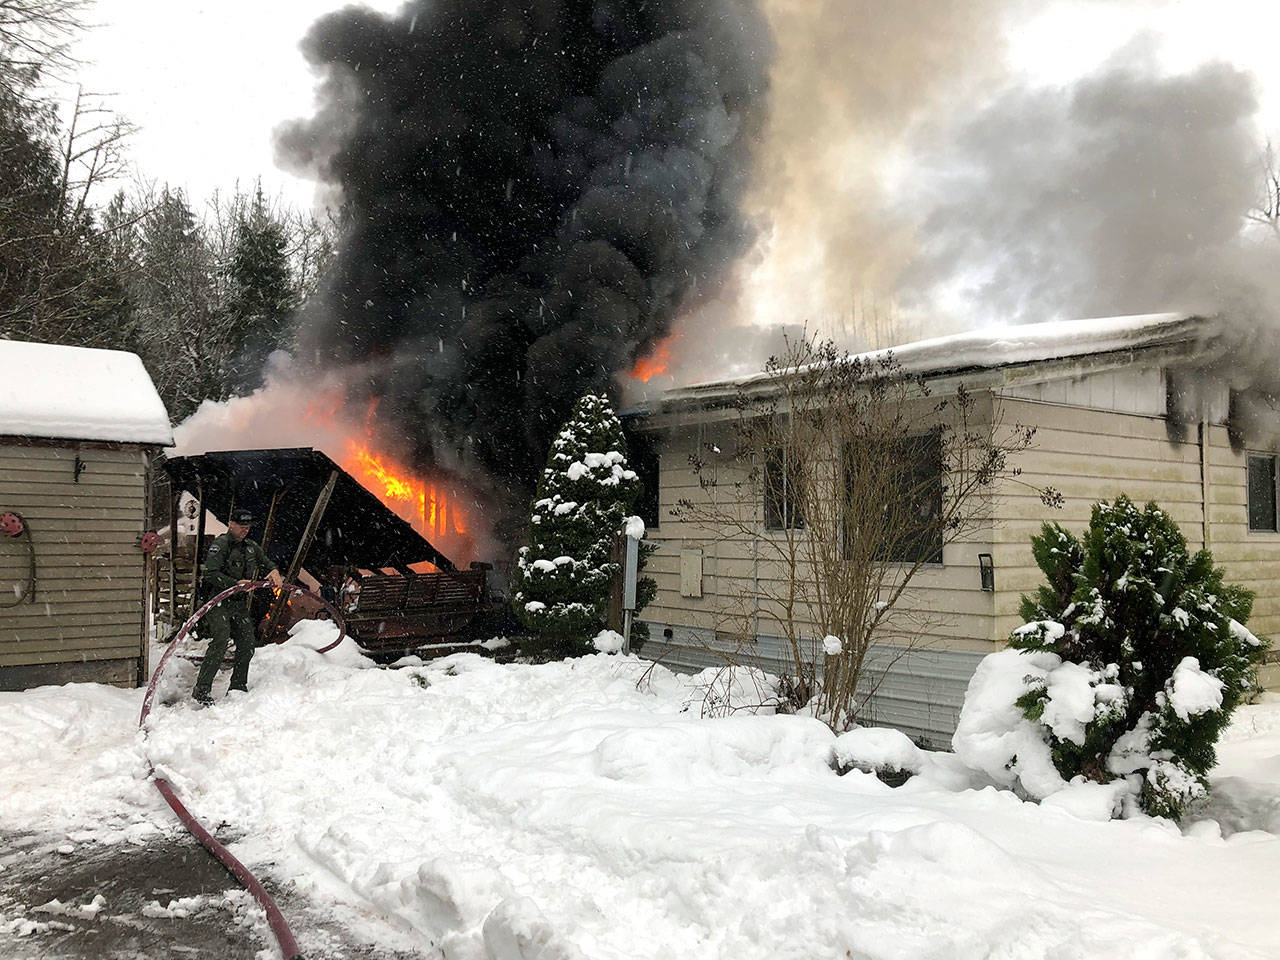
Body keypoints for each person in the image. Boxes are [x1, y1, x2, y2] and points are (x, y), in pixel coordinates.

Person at [192, 508, 283, 704]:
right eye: (242, 527)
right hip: (217, 602)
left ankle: (238, 687)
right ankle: (201, 690)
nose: (245, 531)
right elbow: (210, 574)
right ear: (231, 524)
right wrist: (235, 584)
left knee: (248, 643)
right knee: (221, 640)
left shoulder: (251, 547)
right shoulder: (221, 545)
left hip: (238, 604)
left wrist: (274, 571)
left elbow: (267, 562)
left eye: (248, 527)